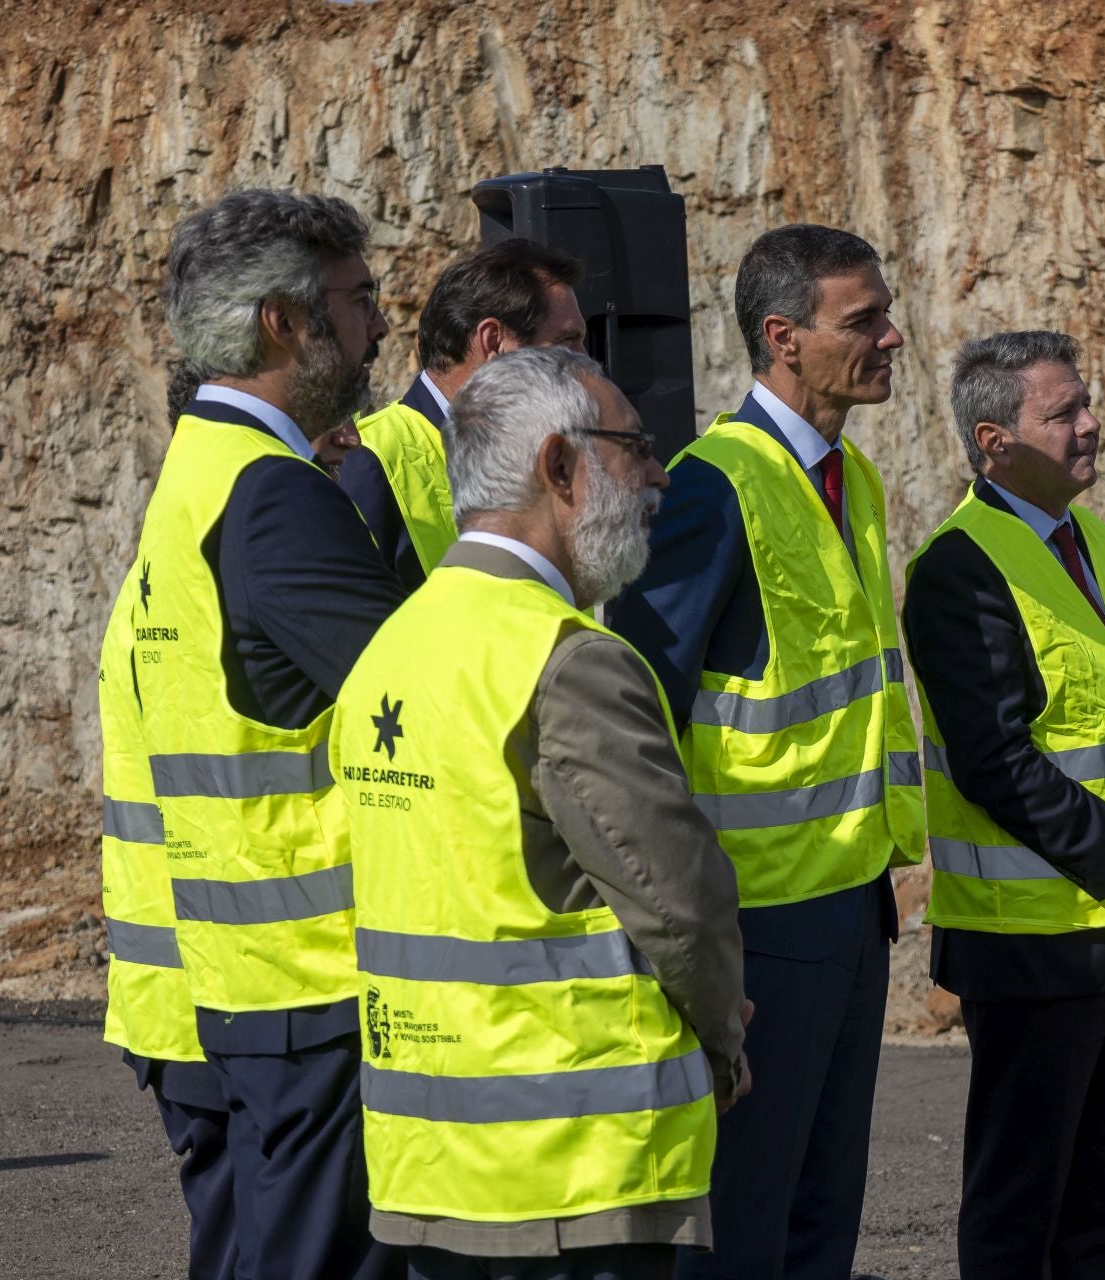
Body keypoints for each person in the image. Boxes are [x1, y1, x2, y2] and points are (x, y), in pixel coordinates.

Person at [332, 347, 750, 1280]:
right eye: (636, 447)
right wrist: (724, 1039)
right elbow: (677, 901)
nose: (657, 476)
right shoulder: (566, 658)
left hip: (431, 1159)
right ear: (559, 468)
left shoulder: (393, 647)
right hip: (573, 1170)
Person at [607, 225, 924, 1280]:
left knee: (822, 1214)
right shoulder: (712, 484)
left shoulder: (853, 483)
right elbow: (639, 703)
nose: (891, 336)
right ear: (783, 338)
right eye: (863, 320)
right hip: (762, 920)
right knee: (747, 1220)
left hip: (849, 902)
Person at [127, 188, 408, 1279]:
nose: (379, 322)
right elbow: (422, 699)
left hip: (254, 979)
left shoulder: (198, 475)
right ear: (284, 323)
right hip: (315, 985)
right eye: (360, 297)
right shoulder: (274, 495)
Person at [900, 330, 1105, 1279]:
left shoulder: (1088, 537)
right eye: (1062, 412)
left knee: (1099, 1202)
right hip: (1029, 938)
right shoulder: (959, 566)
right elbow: (996, 763)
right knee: (1021, 1208)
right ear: (994, 442)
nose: (1090, 424)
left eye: (1086, 403)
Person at [101, 544, 250, 1280]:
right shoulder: (213, 592)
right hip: (216, 983)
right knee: (239, 1234)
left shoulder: (150, 589)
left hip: (166, 989)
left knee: (225, 1223)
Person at [339, 239, 588, 588]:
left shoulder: (540, 459)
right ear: (493, 343)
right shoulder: (366, 460)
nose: (586, 362)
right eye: (567, 341)